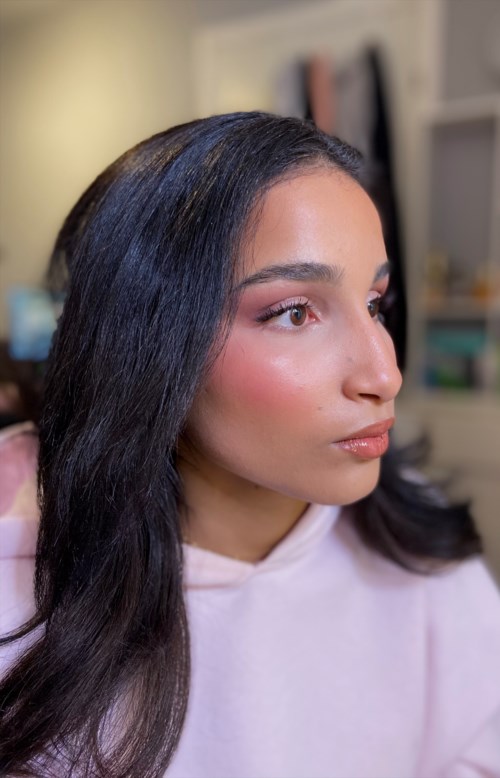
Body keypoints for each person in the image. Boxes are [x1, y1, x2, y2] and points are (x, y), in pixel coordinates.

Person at [0, 112, 499, 778]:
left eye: (375, 303)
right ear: (145, 342)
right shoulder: (19, 574)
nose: (385, 374)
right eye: (294, 312)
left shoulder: (420, 547)